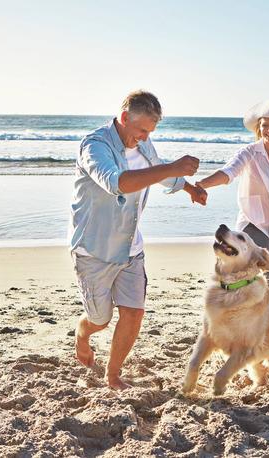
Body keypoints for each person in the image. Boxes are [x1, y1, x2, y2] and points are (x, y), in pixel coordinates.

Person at [69, 90, 205, 390]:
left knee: (133, 313)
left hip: (131, 246)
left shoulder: (143, 143)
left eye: (151, 132)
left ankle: (113, 375)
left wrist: (188, 188)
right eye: (142, 130)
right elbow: (117, 183)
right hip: (95, 249)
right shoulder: (95, 146)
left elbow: (157, 170)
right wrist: (171, 168)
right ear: (125, 118)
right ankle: (83, 331)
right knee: (100, 320)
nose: (145, 137)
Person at [194, 101, 269, 289]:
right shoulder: (250, 152)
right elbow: (228, 172)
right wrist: (203, 184)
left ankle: (249, 309)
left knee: (262, 276)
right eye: (265, 124)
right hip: (254, 221)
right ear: (259, 127)